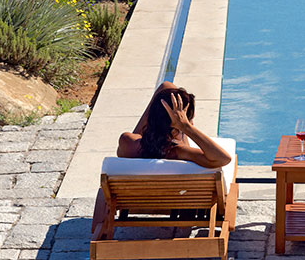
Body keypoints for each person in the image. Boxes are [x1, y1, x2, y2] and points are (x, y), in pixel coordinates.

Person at [91, 82, 232, 233]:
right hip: (179, 197)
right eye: (190, 119)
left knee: (165, 87)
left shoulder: (127, 142)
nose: (191, 122)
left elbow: (164, 89)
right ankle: (168, 120)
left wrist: (161, 120)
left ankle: (163, 117)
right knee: (166, 88)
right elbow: (224, 158)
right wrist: (186, 128)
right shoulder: (180, 152)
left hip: (135, 195)